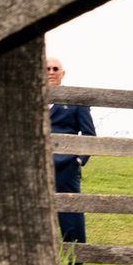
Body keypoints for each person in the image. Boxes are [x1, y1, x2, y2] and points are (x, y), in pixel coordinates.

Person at [47, 56, 95, 246]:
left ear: (62, 73)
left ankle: (75, 256)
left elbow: (89, 134)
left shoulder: (75, 101)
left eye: (55, 69)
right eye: (47, 69)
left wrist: (78, 160)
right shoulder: (29, 101)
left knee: (70, 211)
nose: (51, 72)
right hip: (36, 166)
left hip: (65, 167)